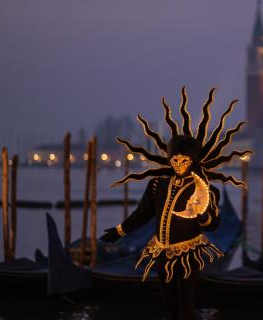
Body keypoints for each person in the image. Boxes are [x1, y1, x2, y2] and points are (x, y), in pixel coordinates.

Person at [100, 87, 251, 320]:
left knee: (186, 303)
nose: (178, 163)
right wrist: (119, 231)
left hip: (189, 251)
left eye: (184, 159)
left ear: (193, 160)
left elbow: (214, 224)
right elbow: (143, 214)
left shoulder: (207, 190)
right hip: (161, 251)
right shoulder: (157, 185)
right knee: (168, 302)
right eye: (175, 159)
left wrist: (202, 216)